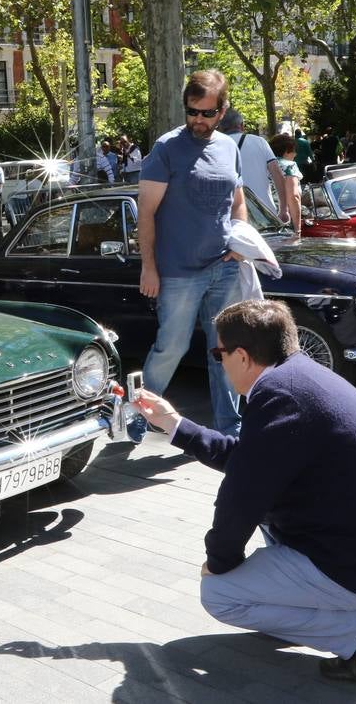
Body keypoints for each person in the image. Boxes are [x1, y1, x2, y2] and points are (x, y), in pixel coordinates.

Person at [134, 300, 356, 682]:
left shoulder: (279, 396)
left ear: (241, 356)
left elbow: (240, 498)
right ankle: (313, 610)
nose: (219, 362)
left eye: (218, 354)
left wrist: (219, 562)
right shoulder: (298, 379)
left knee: (219, 594)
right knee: (264, 525)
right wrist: (174, 424)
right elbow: (250, 461)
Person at [138, 69, 251, 436]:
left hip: (225, 268)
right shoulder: (166, 148)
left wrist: (239, 244)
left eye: (207, 113)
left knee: (227, 350)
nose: (198, 120)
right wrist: (149, 267)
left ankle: (230, 429)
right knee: (171, 348)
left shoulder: (229, 148)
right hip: (178, 272)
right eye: (192, 111)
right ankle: (139, 417)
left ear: (222, 111)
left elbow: (238, 202)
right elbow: (146, 212)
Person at [219, 108, 290, 221]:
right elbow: (277, 175)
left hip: (231, 218)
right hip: (264, 215)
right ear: (242, 125)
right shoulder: (260, 142)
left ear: (220, 127)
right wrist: (284, 209)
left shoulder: (214, 147)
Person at [270, 133, 303, 236]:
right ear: (286, 151)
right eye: (294, 150)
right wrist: (297, 230)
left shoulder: (266, 165)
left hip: (265, 219)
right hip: (285, 221)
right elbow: (293, 196)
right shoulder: (290, 166)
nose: (295, 154)